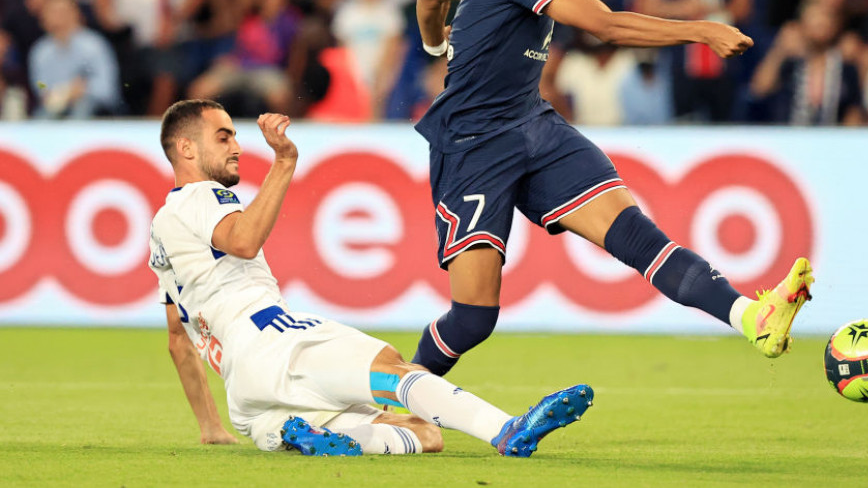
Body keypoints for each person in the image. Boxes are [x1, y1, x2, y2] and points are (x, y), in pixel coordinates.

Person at [411, 0, 814, 377]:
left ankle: (752, 316)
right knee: (473, 319)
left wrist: (436, 47)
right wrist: (702, 30)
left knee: (638, 236)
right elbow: (605, 25)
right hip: (473, 145)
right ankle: (393, 395)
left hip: (533, 127)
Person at [150, 99, 592, 457]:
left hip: (247, 399)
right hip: (274, 344)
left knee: (425, 435)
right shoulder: (200, 195)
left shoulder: (162, 229)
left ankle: (305, 435)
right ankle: (507, 429)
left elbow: (177, 337)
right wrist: (284, 161)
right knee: (392, 367)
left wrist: (212, 426)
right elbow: (243, 240)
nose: (237, 146)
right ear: (186, 149)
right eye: (223, 136)